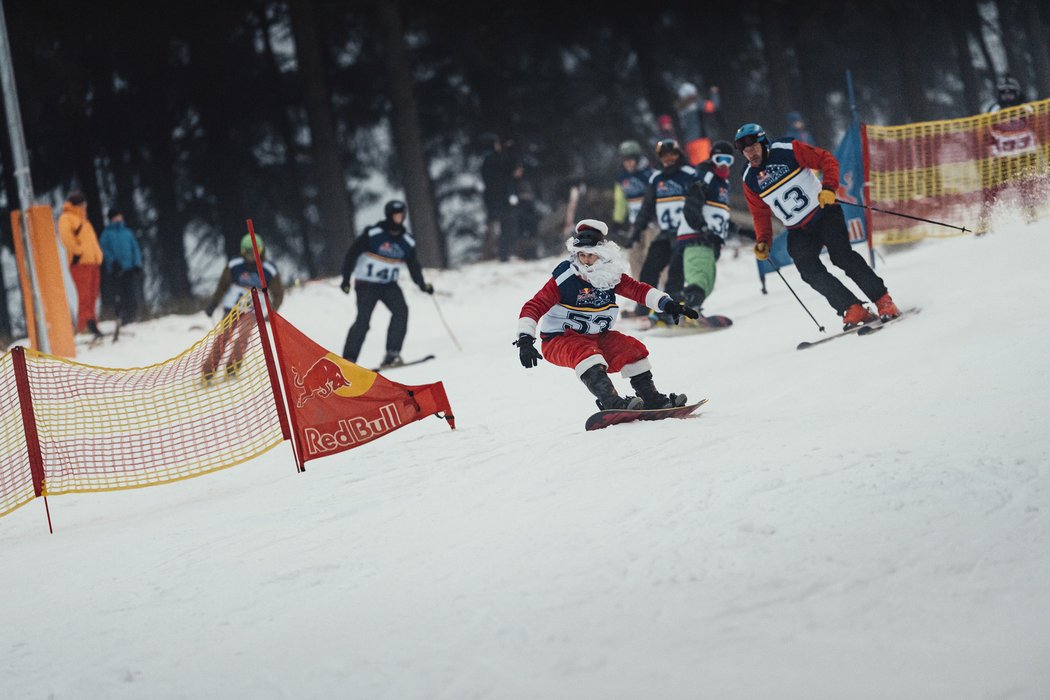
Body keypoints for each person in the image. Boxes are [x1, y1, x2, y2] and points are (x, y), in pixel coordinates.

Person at [515, 219, 697, 411]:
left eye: (590, 255)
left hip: (597, 337)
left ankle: (651, 398)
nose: (585, 260)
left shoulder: (610, 276)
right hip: (560, 339)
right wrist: (525, 340)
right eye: (581, 255)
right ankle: (612, 402)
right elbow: (534, 306)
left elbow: (639, 291)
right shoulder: (565, 278)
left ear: (601, 256)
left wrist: (668, 304)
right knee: (587, 354)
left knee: (632, 349)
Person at [734, 122, 901, 329]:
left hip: (824, 213)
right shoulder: (749, 178)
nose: (750, 153)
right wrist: (763, 241)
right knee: (808, 270)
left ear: (763, 142)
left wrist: (829, 188)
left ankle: (883, 300)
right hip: (798, 229)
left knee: (842, 257)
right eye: (745, 150)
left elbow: (826, 159)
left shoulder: (787, 150)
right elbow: (759, 213)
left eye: (753, 147)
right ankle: (852, 307)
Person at [340, 199, 434, 367]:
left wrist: (422, 284)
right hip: (366, 284)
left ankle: (392, 354)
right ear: (389, 216)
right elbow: (351, 255)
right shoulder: (373, 234)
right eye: (395, 215)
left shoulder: (407, 241)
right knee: (363, 320)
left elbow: (413, 265)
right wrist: (346, 279)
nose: (399, 218)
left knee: (401, 311)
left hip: (389, 285)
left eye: (401, 215)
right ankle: (349, 360)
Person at [625, 138, 698, 315]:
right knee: (649, 269)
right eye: (664, 156)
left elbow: (701, 200)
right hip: (666, 233)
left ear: (678, 155)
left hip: (686, 232)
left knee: (675, 273)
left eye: (672, 155)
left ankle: (678, 308)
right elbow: (647, 207)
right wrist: (636, 231)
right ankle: (643, 309)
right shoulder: (657, 179)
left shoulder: (689, 174)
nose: (668, 159)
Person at [203, 233, 284, 381]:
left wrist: (271, 312)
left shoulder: (269, 269)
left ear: (261, 250)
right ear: (242, 251)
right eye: (247, 252)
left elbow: (278, 294)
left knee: (243, 336)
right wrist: (213, 304)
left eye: (254, 252)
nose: (251, 256)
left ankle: (232, 368)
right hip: (232, 307)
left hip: (253, 310)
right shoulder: (235, 265)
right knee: (224, 336)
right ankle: (208, 371)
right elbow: (222, 286)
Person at [674, 140, 736, 315]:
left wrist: (738, 229)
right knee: (699, 279)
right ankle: (680, 312)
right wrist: (703, 228)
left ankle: (685, 309)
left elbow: (718, 213)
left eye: (728, 160)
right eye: (719, 159)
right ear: (712, 159)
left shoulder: (724, 184)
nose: (723, 164)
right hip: (696, 237)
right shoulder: (705, 175)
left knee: (707, 282)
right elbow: (691, 206)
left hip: (711, 241)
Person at [57, 190, 105, 338]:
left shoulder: (83, 219)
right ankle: (85, 325)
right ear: (77, 205)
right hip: (80, 263)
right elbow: (66, 237)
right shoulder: (67, 218)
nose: (85, 207)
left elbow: (91, 241)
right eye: (83, 205)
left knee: (93, 294)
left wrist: (98, 256)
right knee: (84, 294)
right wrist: (77, 252)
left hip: (92, 262)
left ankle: (92, 323)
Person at [98, 208, 143, 326]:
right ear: (111, 219)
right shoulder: (106, 234)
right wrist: (112, 262)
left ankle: (134, 315)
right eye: (116, 217)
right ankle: (122, 316)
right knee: (119, 293)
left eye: (119, 216)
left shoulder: (127, 233)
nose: (118, 219)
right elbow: (104, 250)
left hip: (129, 268)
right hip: (116, 270)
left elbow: (135, 249)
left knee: (131, 292)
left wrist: (137, 263)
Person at [500, 159, 540, 261]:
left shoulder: (523, 181)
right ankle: (513, 254)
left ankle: (530, 254)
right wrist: (520, 197)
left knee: (529, 231)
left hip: (526, 213)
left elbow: (529, 196)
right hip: (515, 214)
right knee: (516, 233)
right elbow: (511, 198)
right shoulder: (509, 182)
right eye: (518, 170)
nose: (520, 172)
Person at [611, 140, 653, 235]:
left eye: (631, 160)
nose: (628, 164)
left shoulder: (648, 175)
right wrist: (617, 221)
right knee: (634, 248)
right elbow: (620, 201)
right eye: (625, 161)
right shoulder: (621, 178)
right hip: (634, 224)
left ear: (637, 159)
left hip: (651, 223)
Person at [676, 82, 723, 165]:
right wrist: (714, 93)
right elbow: (713, 107)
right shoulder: (695, 103)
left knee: (697, 168)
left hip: (689, 144)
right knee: (706, 167)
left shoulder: (681, 109)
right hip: (700, 141)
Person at [480, 133, 510, 260]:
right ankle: (500, 253)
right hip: (498, 197)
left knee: (494, 225)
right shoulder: (493, 159)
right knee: (500, 226)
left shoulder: (485, 159)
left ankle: (493, 253)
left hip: (491, 197)